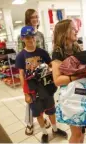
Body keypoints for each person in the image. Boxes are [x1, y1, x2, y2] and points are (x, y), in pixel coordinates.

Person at [15, 26, 67, 143]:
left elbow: (52, 66)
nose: (31, 40)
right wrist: (26, 94)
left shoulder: (42, 52)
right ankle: (44, 133)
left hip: (46, 88)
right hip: (33, 91)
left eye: (32, 37)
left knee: (51, 110)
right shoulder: (20, 56)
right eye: (28, 37)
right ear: (23, 39)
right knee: (38, 113)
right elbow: (21, 76)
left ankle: (54, 129)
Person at [52, 19, 86, 143]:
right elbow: (57, 80)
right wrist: (78, 75)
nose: (76, 30)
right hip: (70, 97)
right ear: (64, 32)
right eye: (73, 28)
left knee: (82, 130)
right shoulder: (58, 52)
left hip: (82, 94)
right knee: (76, 133)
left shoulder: (77, 47)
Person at [22, 8, 50, 136]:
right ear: (28, 18)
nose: (36, 19)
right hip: (30, 72)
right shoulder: (22, 34)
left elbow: (45, 51)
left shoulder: (40, 35)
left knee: (42, 96)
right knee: (31, 98)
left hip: (42, 70)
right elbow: (21, 54)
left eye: (37, 17)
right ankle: (29, 123)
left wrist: (47, 67)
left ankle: (42, 118)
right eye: (33, 17)